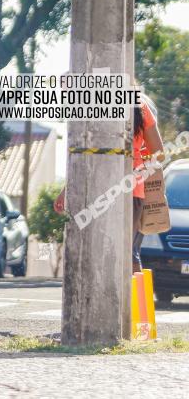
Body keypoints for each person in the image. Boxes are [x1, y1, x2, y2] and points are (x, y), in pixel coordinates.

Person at [54, 93, 163, 272]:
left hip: (113, 191)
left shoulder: (124, 104)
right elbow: (158, 153)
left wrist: (135, 175)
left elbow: (158, 152)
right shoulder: (129, 103)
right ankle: (122, 299)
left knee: (112, 256)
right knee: (114, 255)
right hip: (116, 191)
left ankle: (126, 300)